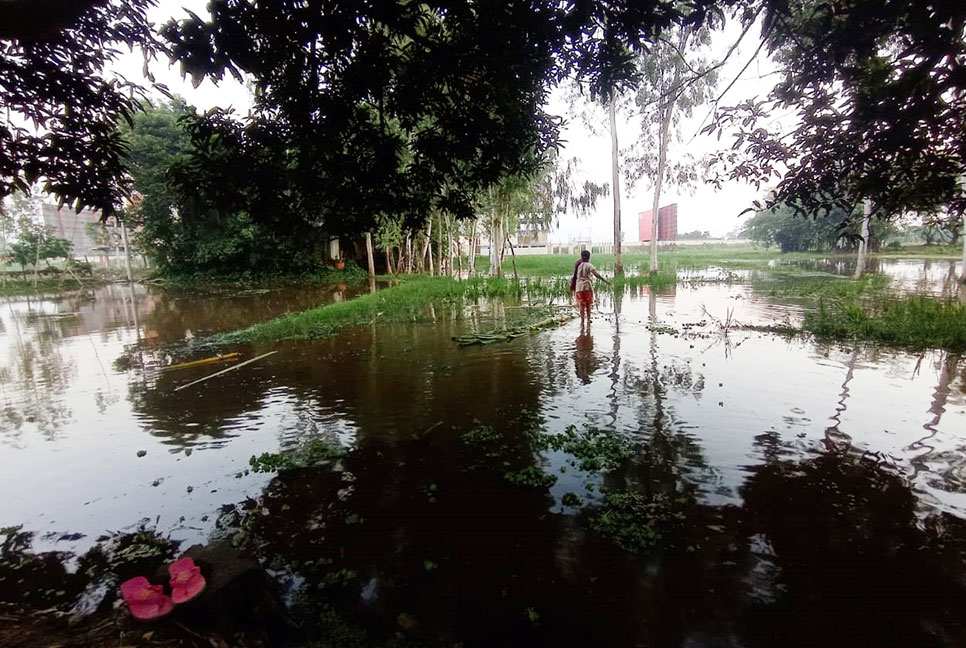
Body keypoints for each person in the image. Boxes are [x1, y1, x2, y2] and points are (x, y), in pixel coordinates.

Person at [572, 250, 609, 322]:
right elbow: (596, 274)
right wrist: (605, 281)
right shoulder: (589, 265)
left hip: (579, 287)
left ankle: (582, 320)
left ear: (581, 256)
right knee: (588, 304)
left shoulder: (578, 265)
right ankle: (588, 319)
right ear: (589, 257)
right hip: (587, 286)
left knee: (581, 304)